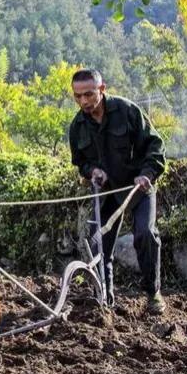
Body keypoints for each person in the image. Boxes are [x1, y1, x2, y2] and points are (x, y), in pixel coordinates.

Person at [67, 68, 167, 314]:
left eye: (89, 94)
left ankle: (153, 294)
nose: (84, 102)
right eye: (78, 97)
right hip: (107, 192)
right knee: (98, 243)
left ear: (102, 89)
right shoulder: (77, 127)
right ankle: (105, 298)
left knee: (144, 234)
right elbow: (80, 161)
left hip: (138, 188)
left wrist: (147, 173)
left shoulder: (128, 111)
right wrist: (93, 172)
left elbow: (155, 146)